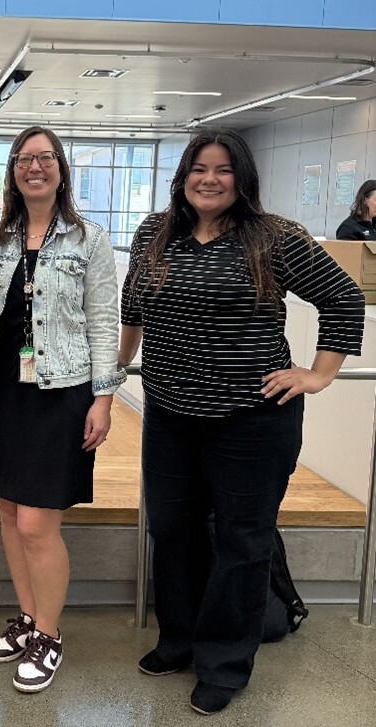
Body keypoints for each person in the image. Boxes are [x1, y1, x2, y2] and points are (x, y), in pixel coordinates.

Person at [118, 129, 364, 715]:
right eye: (199, 168)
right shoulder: (156, 232)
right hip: (170, 414)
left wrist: (317, 374)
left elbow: (343, 297)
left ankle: (224, 661)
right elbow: (133, 307)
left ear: (242, 178)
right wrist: (114, 370)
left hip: (252, 421)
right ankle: (178, 639)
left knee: (241, 540)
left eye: (223, 170)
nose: (209, 179)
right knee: (172, 530)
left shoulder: (272, 237)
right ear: (183, 175)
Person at [0, 126, 126, 693]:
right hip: (0, 390)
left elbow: (103, 320)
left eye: (45, 158)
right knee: (7, 511)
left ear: (61, 169)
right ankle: (28, 620)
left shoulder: (88, 239)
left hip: (61, 391)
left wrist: (104, 397)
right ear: (13, 172)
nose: (35, 167)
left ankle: (48, 635)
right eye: (25, 159)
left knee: (36, 522)